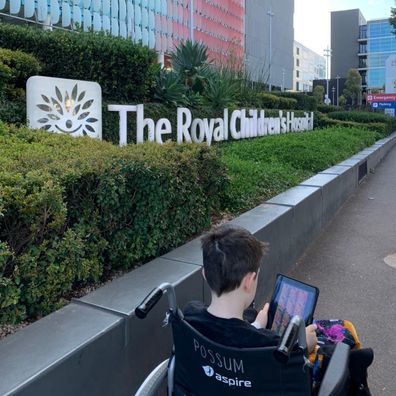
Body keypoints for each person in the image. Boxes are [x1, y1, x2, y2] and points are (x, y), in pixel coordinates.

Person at [184, 224, 372, 395]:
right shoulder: (274, 347)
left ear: (204, 274)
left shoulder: (189, 318)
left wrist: (257, 325)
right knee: (345, 331)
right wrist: (301, 346)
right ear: (249, 281)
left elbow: (233, 339)